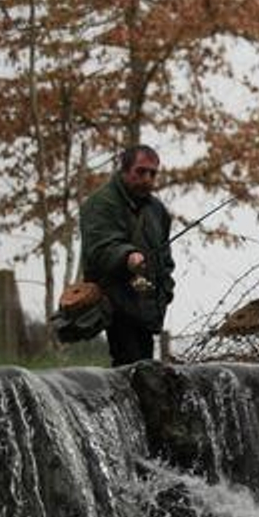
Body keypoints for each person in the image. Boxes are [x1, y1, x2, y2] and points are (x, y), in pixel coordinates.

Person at [80, 145, 176, 366]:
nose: (147, 178)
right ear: (124, 170)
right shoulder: (101, 204)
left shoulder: (157, 211)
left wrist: (166, 291)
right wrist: (128, 257)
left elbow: (166, 260)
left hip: (147, 306)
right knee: (131, 369)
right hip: (116, 304)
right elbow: (100, 247)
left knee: (145, 367)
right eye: (140, 171)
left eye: (152, 173)